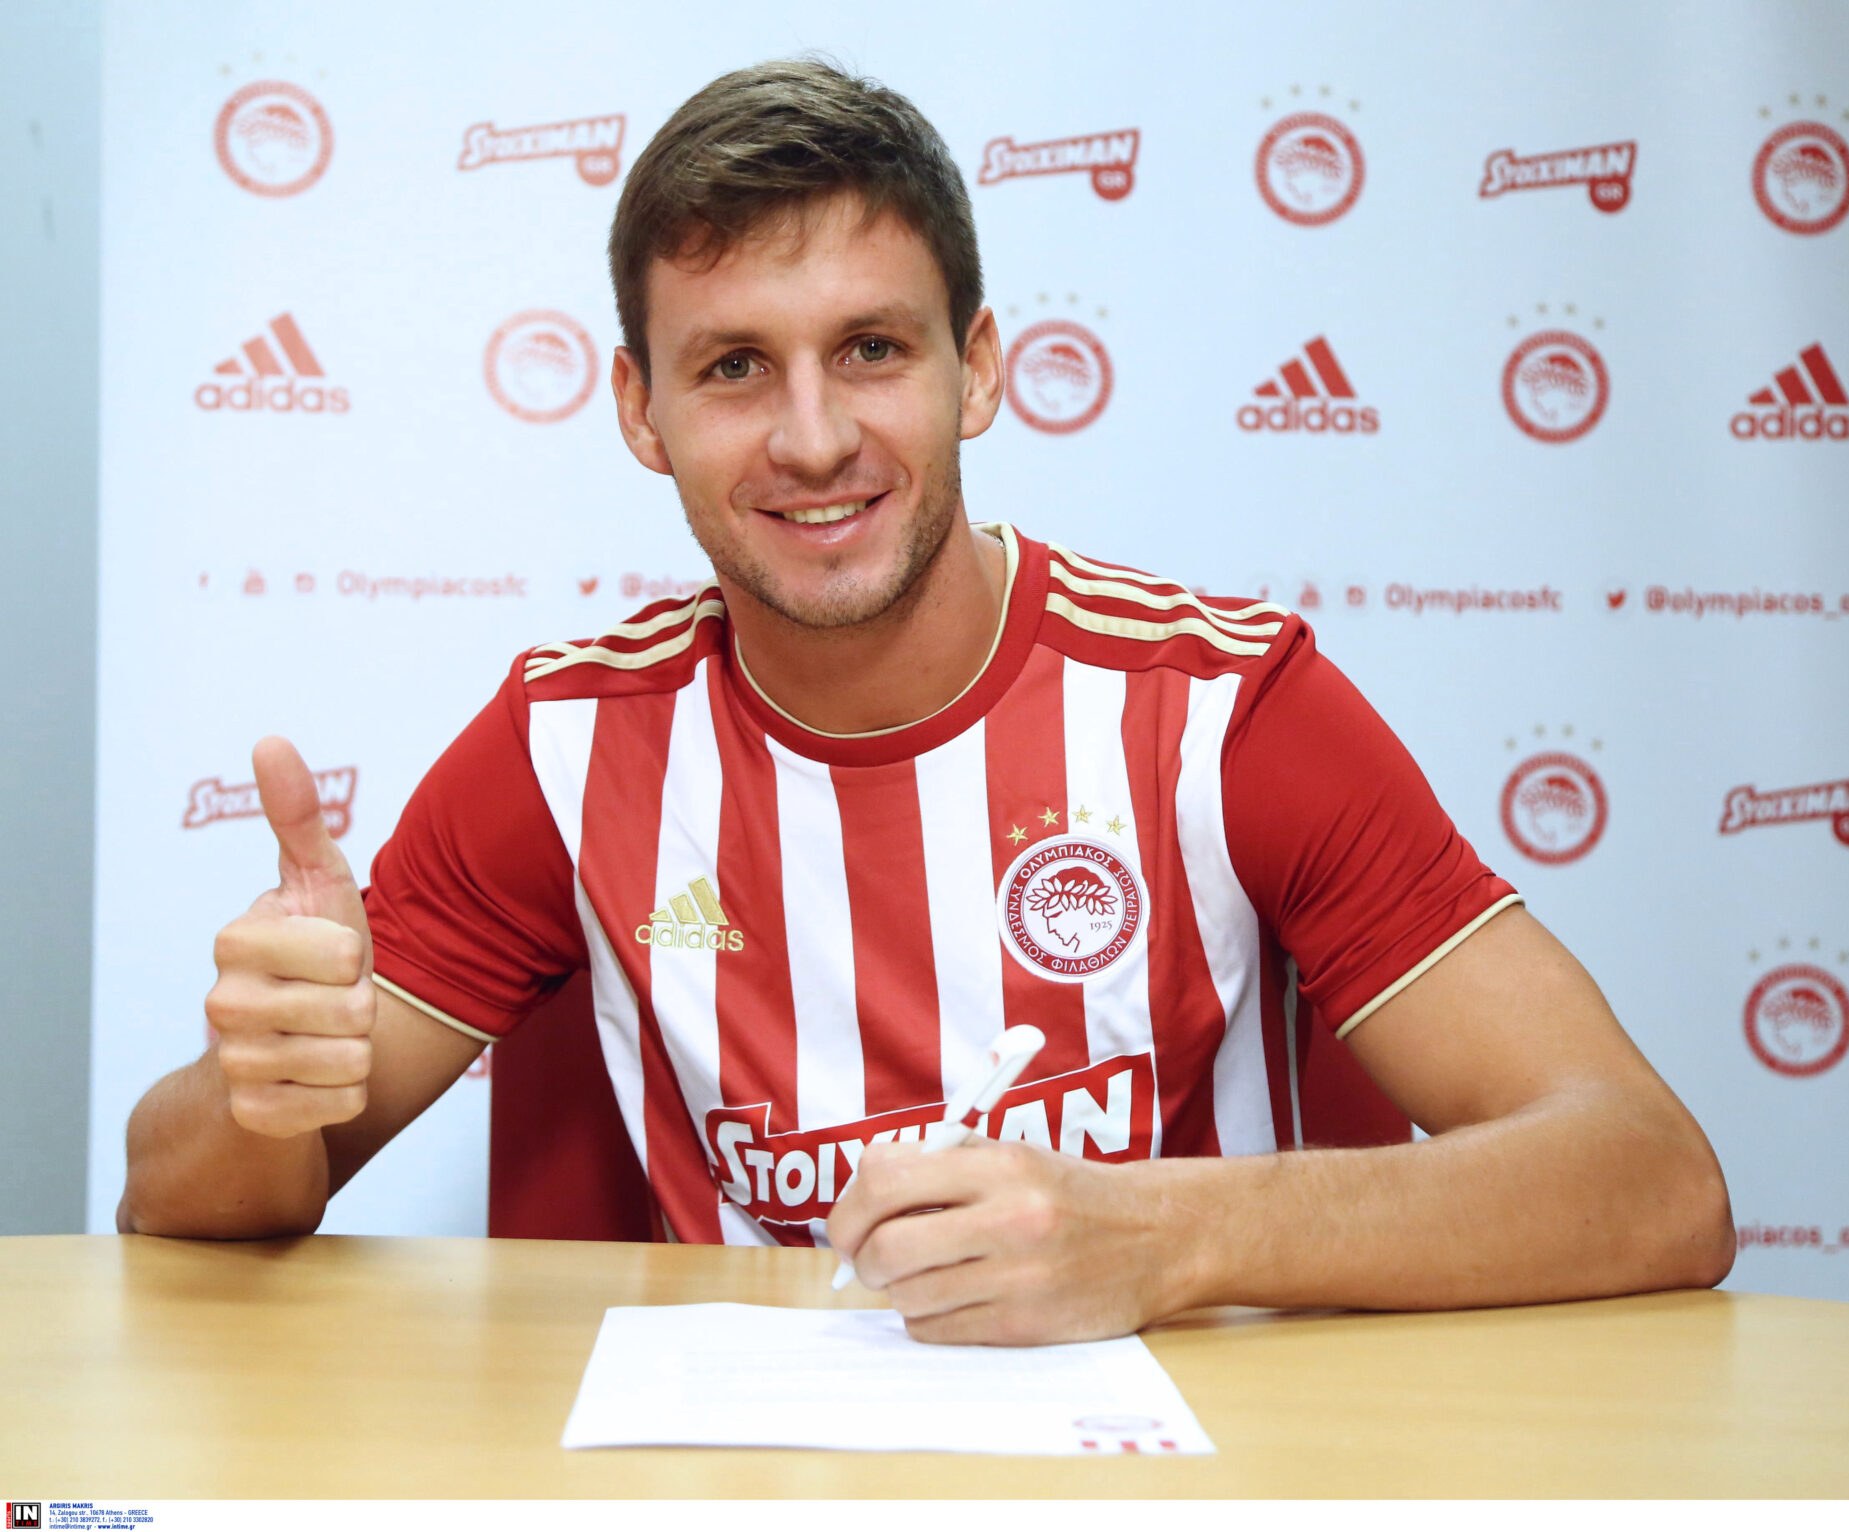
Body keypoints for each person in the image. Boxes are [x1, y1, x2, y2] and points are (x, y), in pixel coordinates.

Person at [119, 59, 1735, 1345]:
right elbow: (179, 1202)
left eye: (871, 349)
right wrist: (261, 1094)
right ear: (640, 410)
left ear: (979, 368)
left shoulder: (1223, 711)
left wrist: (1167, 1237)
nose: (814, 438)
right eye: (734, 366)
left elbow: (1653, 1177)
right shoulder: (567, 746)